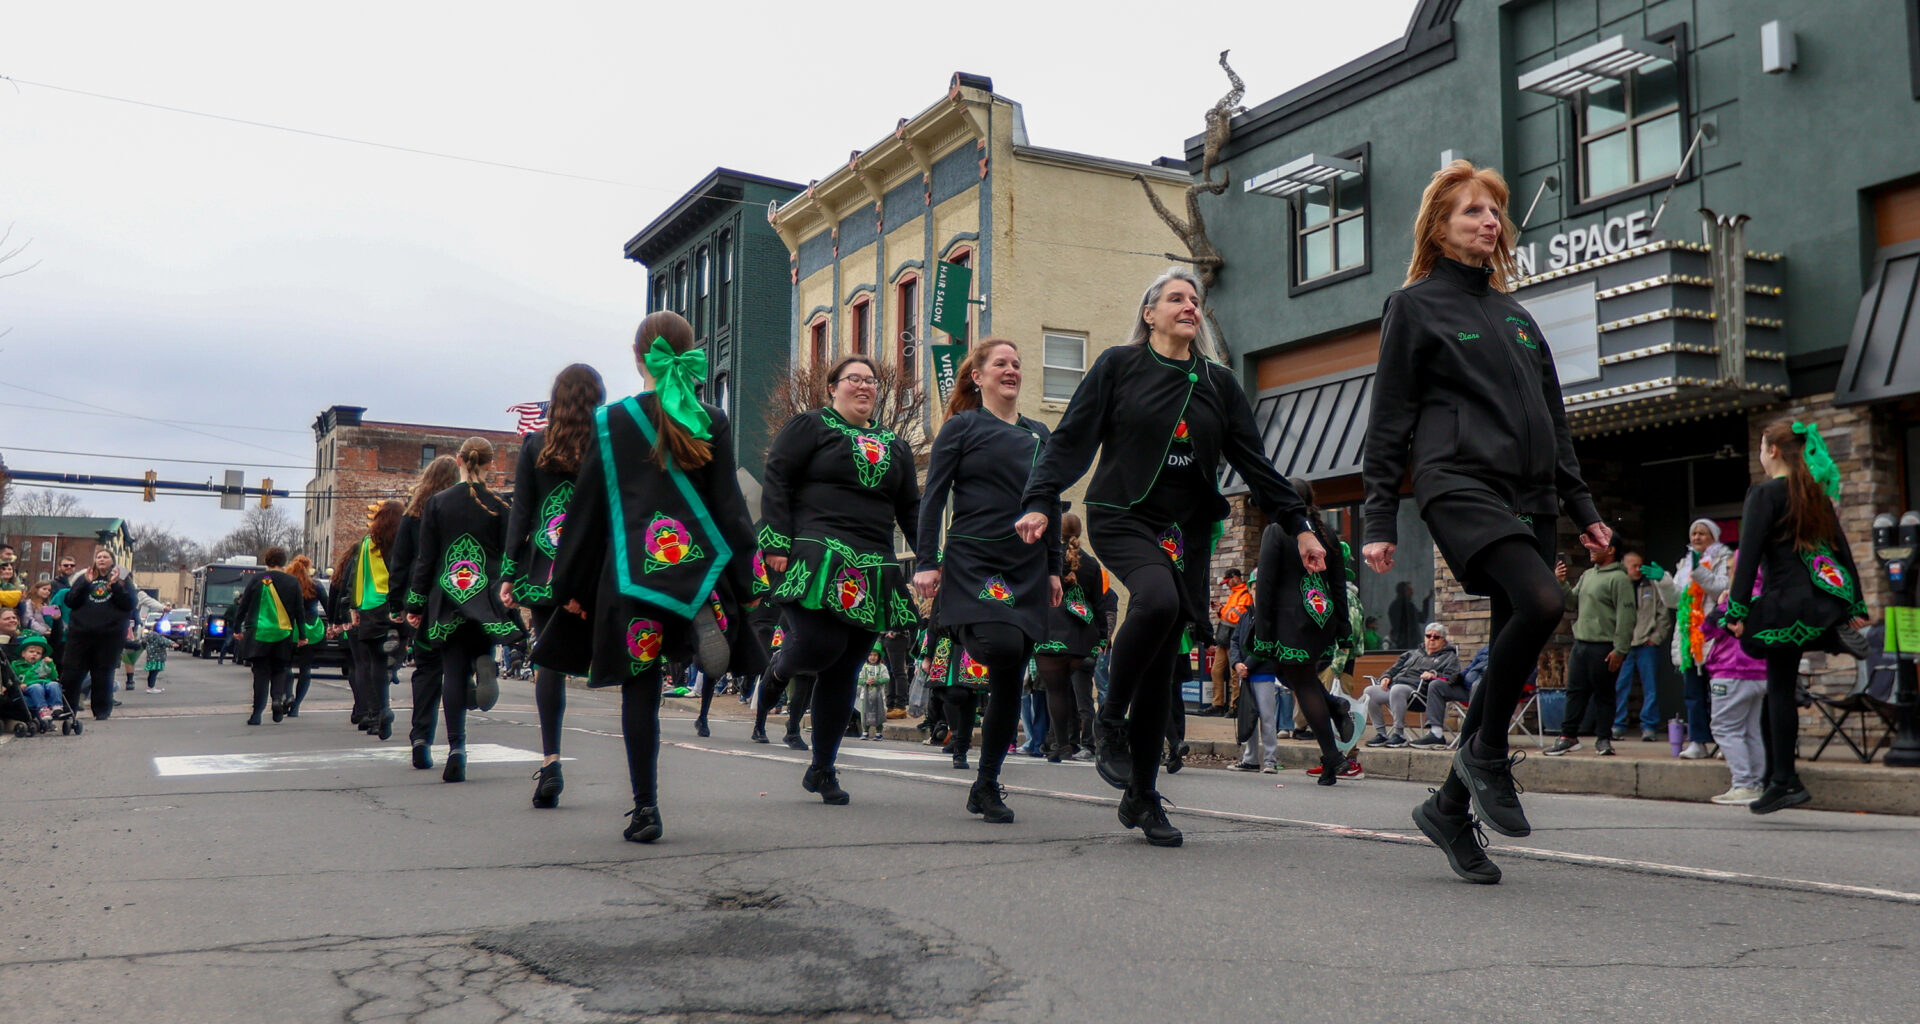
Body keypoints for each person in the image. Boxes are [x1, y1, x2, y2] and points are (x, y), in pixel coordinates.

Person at [1362, 160, 1608, 884]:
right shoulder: (1414, 306)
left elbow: (1554, 424)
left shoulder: (1517, 317)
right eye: (1471, 210)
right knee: (1542, 601)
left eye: (1495, 210)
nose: (1488, 221)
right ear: (1439, 226)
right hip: (1457, 480)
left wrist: (1583, 510)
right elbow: (1389, 420)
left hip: (1528, 496)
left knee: (1515, 638)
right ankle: (1489, 755)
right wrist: (1377, 513)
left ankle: (1447, 806)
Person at [1018, 265, 1321, 848]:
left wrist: (1300, 525)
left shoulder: (1219, 383)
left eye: (1195, 299)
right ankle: (1109, 722)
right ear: (1150, 313)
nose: (1189, 305)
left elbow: (1256, 464)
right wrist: (1040, 501)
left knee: (1163, 665)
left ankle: (1143, 798)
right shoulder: (1118, 365)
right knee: (1154, 601)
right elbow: (1071, 440)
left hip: (1184, 533)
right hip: (1122, 513)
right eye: (1175, 298)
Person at [543, 311, 759, 842]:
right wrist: (748, 586)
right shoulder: (710, 417)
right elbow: (729, 508)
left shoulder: (610, 422)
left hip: (632, 581)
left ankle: (646, 810)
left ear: (638, 357)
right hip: (698, 570)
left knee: (639, 693)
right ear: (691, 352)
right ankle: (706, 617)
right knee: (696, 601)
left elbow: (588, 512)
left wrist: (568, 587)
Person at [760, 352, 922, 806]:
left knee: (845, 669)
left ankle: (822, 768)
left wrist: (930, 558)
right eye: (854, 379)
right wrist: (775, 539)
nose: (865, 386)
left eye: (871, 381)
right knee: (819, 646)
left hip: (874, 563)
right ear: (833, 387)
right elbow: (777, 477)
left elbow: (911, 509)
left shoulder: (896, 445)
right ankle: (779, 667)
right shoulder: (809, 426)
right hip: (816, 551)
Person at [915, 338, 1059, 823]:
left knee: (1011, 674)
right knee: (997, 646)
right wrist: (925, 560)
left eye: (1017, 364)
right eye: (1001, 363)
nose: (1011, 370)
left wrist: (1056, 567)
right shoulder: (961, 427)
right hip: (974, 558)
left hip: (1027, 565)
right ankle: (956, 626)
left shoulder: (1040, 434)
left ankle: (986, 783)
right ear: (978, 376)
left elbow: (1050, 504)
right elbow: (933, 498)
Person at [1723, 419, 1869, 814]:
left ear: (1771, 450)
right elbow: (1841, 550)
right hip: (1821, 597)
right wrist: (1855, 605)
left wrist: (1735, 611)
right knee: (1779, 691)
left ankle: (1785, 780)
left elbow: (1748, 555)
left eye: (1760, 448)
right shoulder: (1814, 494)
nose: (1759, 455)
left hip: (1783, 603)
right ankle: (1781, 779)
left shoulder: (1764, 494)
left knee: (1780, 687)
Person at [501, 363, 605, 804]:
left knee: (549, 663)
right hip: (599, 565)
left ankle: (550, 762)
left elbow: (521, 514)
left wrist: (508, 572)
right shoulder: (609, 443)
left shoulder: (535, 445)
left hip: (546, 567)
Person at [404, 438, 523, 781]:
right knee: (480, 648)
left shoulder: (437, 503)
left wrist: (415, 604)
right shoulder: (500, 505)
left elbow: (426, 560)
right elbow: (508, 554)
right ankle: (484, 662)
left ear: (458, 460)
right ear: (491, 464)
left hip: (449, 596)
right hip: (486, 595)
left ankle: (457, 748)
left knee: (452, 672)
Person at [1242, 477, 1363, 779]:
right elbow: (1338, 584)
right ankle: (1334, 716)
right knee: (1294, 675)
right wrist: (1343, 628)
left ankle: (1333, 751)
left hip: (1290, 620)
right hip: (1321, 617)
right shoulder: (1328, 533)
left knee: (1303, 683)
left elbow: (1266, 585)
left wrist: (1263, 633)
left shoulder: (1277, 529)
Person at [393, 456, 460, 768]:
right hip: (459, 599)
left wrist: (398, 604)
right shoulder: (460, 510)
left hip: (422, 602)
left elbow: (401, 563)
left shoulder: (413, 516)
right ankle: (457, 743)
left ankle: (421, 737)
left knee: (427, 669)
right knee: (457, 668)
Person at [1547, 533, 1635, 757]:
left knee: (1604, 695)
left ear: (1611, 550)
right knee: (1575, 692)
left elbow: (1627, 616)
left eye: (1596, 546)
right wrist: (1562, 583)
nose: (1590, 550)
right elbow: (1572, 602)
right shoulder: (1587, 575)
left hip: (1604, 647)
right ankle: (1568, 736)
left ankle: (1603, 739)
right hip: (1581, 644)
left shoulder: (1620, 579)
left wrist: (1621, 649)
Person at [1036, 510, 1113, 762]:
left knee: (1056, 691)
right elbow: (1099, 603)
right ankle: (1080, 741)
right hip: (1083, 636)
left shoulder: (1046, 558)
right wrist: (1102, 638)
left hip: (1053, 632)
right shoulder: (1091, 564)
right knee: (1080, 694)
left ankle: (1062, 744)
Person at [1698, 574, 1768, 804]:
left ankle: (1744, 784)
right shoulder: (1768, 597)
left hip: (1731, 670)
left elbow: (1707, 629)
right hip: (1760, 671)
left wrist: (1720, 604)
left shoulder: (1735, 599)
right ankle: (1756, 784)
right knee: (1750, 730)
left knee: (1725, 728)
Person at [1667, 518, 1730, 759]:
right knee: (1693, 694)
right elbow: (1675, 600)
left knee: (1720, 694)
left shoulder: (1724, 559)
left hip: (1713, 637)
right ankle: (1698, 742)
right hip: (1689, 638)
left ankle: (1726, 742)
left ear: (1714, 537)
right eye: (1693, 533)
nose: (1696, 538)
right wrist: (1662, 581)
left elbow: (1722, 589)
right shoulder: (1685, 562)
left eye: (1702, 533)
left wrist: (1699, 570)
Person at [232, 546, 312, 725]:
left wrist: (237, 628)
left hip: (259, 633)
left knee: (260, 673)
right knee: (280, 669)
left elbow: (243, 606)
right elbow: (299, 611)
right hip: (283, 633)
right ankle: (277, 699)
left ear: (267, 561)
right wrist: (302, 635)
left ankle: (257, 713)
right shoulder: (293, 583)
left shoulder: (257, 579)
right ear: (284, 562)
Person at [344, 504, 404, 739]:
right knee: (394, 651)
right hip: (394, 604)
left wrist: (353, 607)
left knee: (372, 664)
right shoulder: (402, 540)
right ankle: (395, 660)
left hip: (370, 608)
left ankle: (380, 712)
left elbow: (355, 577)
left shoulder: (366, 544)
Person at [58, 547, 137, 719]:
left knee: (103, 675)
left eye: (105, 557)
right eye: (98, 557)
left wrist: (115, 586)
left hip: (108, 637)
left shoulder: (122, 578)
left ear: (112, 561)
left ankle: (101, 711)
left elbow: (129, 604)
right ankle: (67, 709)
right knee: (72, 674)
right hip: (80, 634)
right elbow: (71, 600)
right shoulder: (84, 577)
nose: (101, 559)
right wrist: (85, 583)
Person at [1362, 623, 1461, 747]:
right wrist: (1386, 677)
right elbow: (1393, 669)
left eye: (1436, 637)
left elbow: (1452, 677)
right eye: (1428, 636)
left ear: (1444, 641)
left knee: (1397, 689)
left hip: (1420, 694)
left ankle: (1399, 735)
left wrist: (1433, 674)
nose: (1431, 639)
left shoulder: (1449, 657)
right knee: (1369, 691)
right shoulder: (1412, 654)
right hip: (1396, 688)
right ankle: (1381, 734)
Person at [1613, 550, 1672, 741]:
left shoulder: (1652, 585)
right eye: (1634, 566)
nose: (1638, 569)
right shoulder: (1617, 585)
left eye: (1640, 565)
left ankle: (1649, 727)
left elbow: (1663, 615)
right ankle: (1618, 724)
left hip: (1647, 643)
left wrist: (1656, 638)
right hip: (1623, 644)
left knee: (1651, 687)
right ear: (1624, 566)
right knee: (1620, 685)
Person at [1204, 568, 1251, 716]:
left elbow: (1237, 617)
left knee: (1234, 674)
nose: (1227, 585)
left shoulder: (1245, 595)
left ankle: (1235, 706)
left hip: (1234, 640)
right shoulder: (1234, 594)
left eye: (1228, 581)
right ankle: (1218, 704)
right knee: (1216, 671)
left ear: (1235, 578)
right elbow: (1228, 615)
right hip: (1224, 639)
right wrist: (1220, 610)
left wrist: (1222, 609)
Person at [12, 632, 63, 728]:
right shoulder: (17, 665)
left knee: (54, 684)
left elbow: (53, 676)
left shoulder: (43, 664)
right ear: (23, 653)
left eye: (38, 653)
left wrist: (50, 665)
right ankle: (43, 708)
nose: (35, 654)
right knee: (37, 687)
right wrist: (18, 684)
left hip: (46, 683)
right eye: (31, 652)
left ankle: (57, 706)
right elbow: (13, 676)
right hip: (28, 686)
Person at [857, 647, 888, 741]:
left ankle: (878, 733)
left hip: (879, 696)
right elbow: (858, 679)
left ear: (878, 656)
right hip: (865, 696)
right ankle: (865, 732)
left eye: (875, 655)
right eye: (870, 655)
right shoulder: (863, 667)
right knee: (865, 713)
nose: (872, 657)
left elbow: (887, 678)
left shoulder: (882, 667)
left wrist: (877, 681)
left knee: (878, 713)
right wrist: (865, 681)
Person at [140, 618, 170, 694]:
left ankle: (150, 686)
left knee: (151, 672)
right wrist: (172, 644)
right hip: (157, 658)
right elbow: (165, 642)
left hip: (151, 657)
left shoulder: (150, 635)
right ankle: (151, 687)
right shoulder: (158, 637)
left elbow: (144, 642)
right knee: (154, 672)